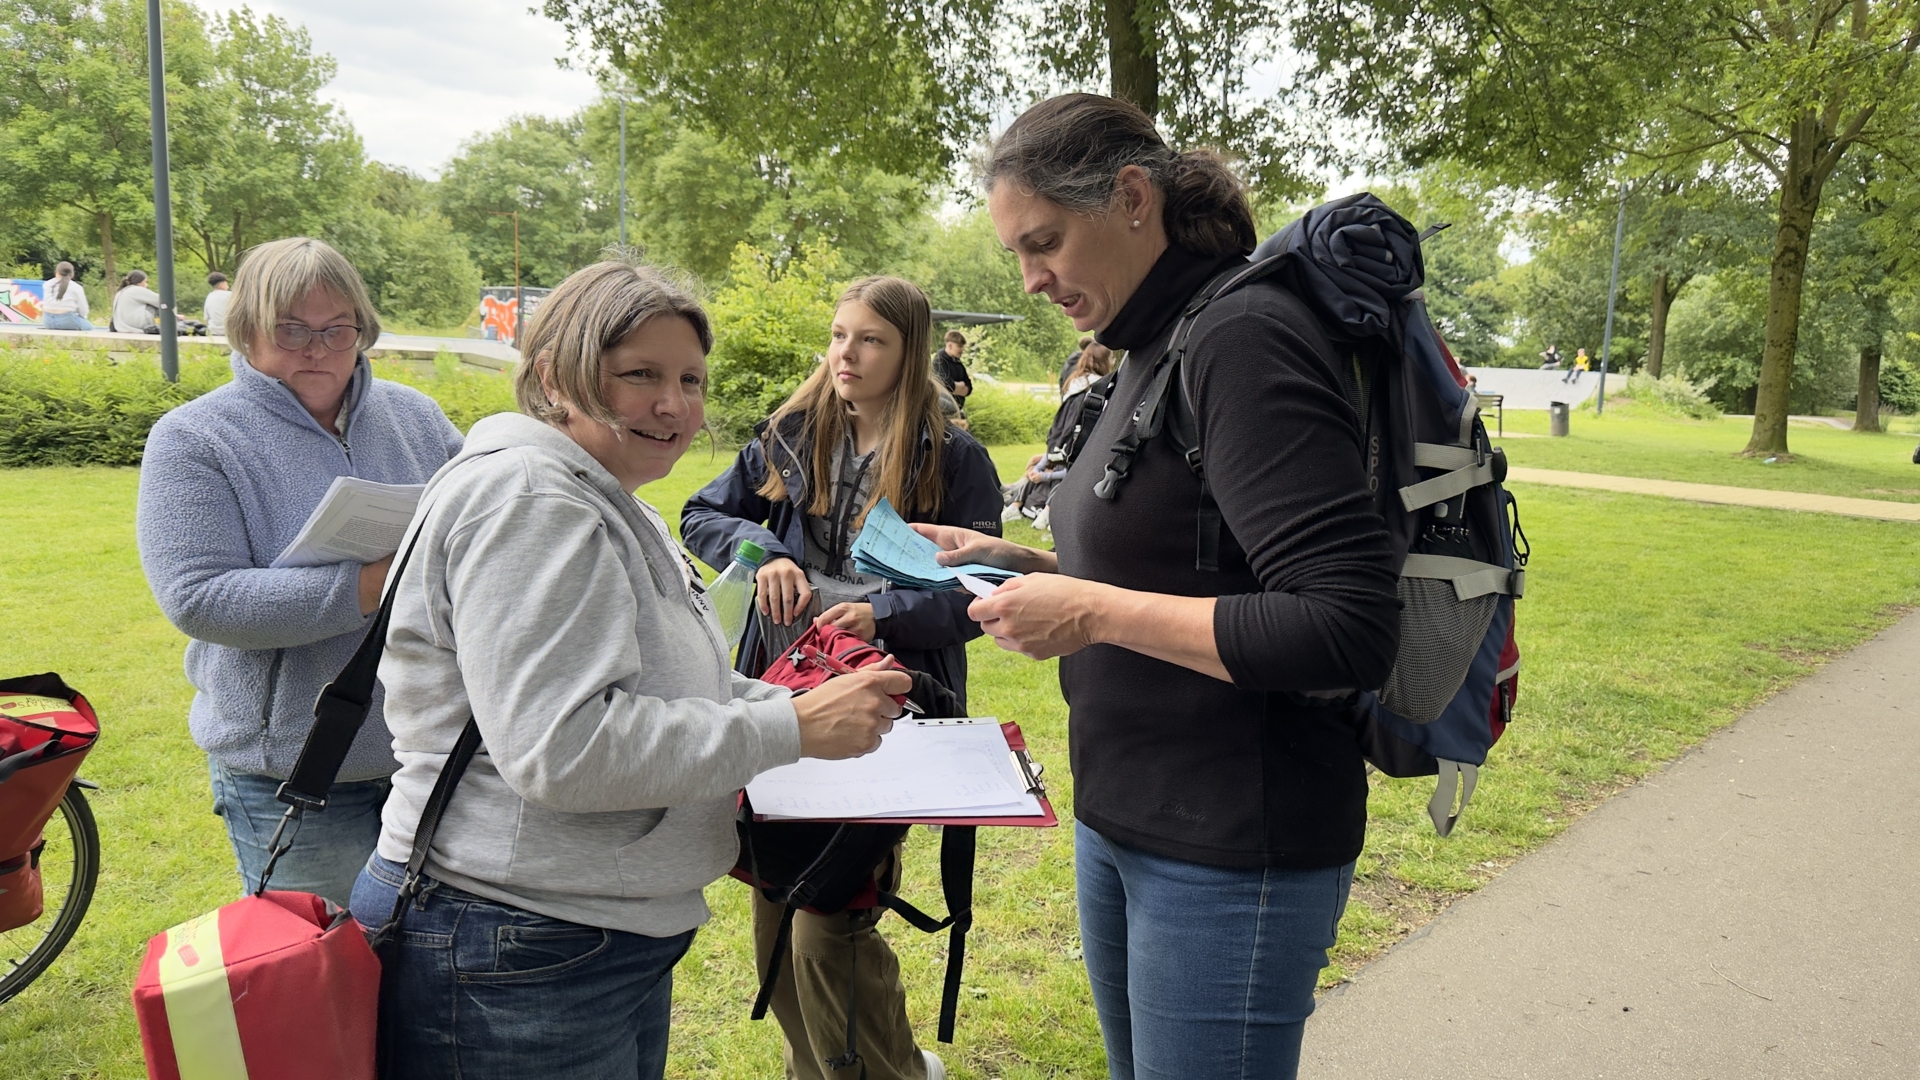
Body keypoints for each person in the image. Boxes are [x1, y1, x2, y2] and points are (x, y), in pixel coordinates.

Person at [916, 94, 1402, 1080]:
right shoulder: (1152, 343)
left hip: (1233, 842)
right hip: (1128, 817)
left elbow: (1345, 625)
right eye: (1018, 252)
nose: (1032, 278)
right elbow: (1188, 565)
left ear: (1132, 197)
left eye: (1044, 242)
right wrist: (1034, 566)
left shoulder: (1241, 336)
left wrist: (1089, 609)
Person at [350, 260, 909, 1078]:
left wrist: (793, 697)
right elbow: (565, 749)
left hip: (569, 938)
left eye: (690, 378)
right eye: (640, 375)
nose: (674, 404)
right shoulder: (536, 503)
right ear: (556, 376)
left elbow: (653, 685)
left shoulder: (596, 492)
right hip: (518, 941)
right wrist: (790, 724)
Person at [681, 276, 1004, 1080]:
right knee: (772, 898)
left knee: (830, 914)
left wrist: (883, 614)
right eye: (836, 335)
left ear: (911, 351)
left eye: (869, 340)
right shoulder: (791, 433)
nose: (845, 355)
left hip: (887, 701)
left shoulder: (955, 457)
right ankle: (815, 1068)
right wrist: (766, 554)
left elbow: (980, 598)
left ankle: (891, 1073)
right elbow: (700, 514)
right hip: (779, 689)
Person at [135, 237, 467, 905]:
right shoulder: (195, 438)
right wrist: (376, 582)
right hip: (298, 773)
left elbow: (480, 529)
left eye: (336, 329)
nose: (317, 349)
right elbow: (201, 599)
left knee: (430, 982)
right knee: (324, 990)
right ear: (248, 330)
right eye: (292, 329)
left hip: (432, 760)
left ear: (362, 331)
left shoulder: (418, 419)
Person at [1010, 341, 1115, 529]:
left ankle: (1018, 503)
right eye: (1111, 358)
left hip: (1059, 443)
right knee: (1066, 473)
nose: (1114, 362)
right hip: (1077, 446)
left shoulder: (1072, 383)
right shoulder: (1098, 388)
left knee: (1041, 465)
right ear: (1104, 360)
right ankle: (1044, 511)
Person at [40, 262, 94, 330]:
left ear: (56, 273)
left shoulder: (47, 284)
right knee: (90, 327)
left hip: (47, 321)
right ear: (72, 274)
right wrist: (82, 318)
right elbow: (83, 309)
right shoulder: (76, 287)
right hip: (68, 320)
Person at [934, 329, 973, 412]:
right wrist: (962, 385)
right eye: (959, 346)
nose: (962, 349)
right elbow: (947, 387)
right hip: (943, 412)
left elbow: (969, 388)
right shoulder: (939, 360)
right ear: (950, 345)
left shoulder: (957, 362)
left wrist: (956, 387)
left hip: (958, 410)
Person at [204, 271, 232, 336]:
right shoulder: (230, 295)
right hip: (228, 332)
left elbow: (206, 318)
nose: (228, 286)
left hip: (213, 331)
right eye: (226, 284)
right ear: (221, 285)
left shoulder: (209, 296)